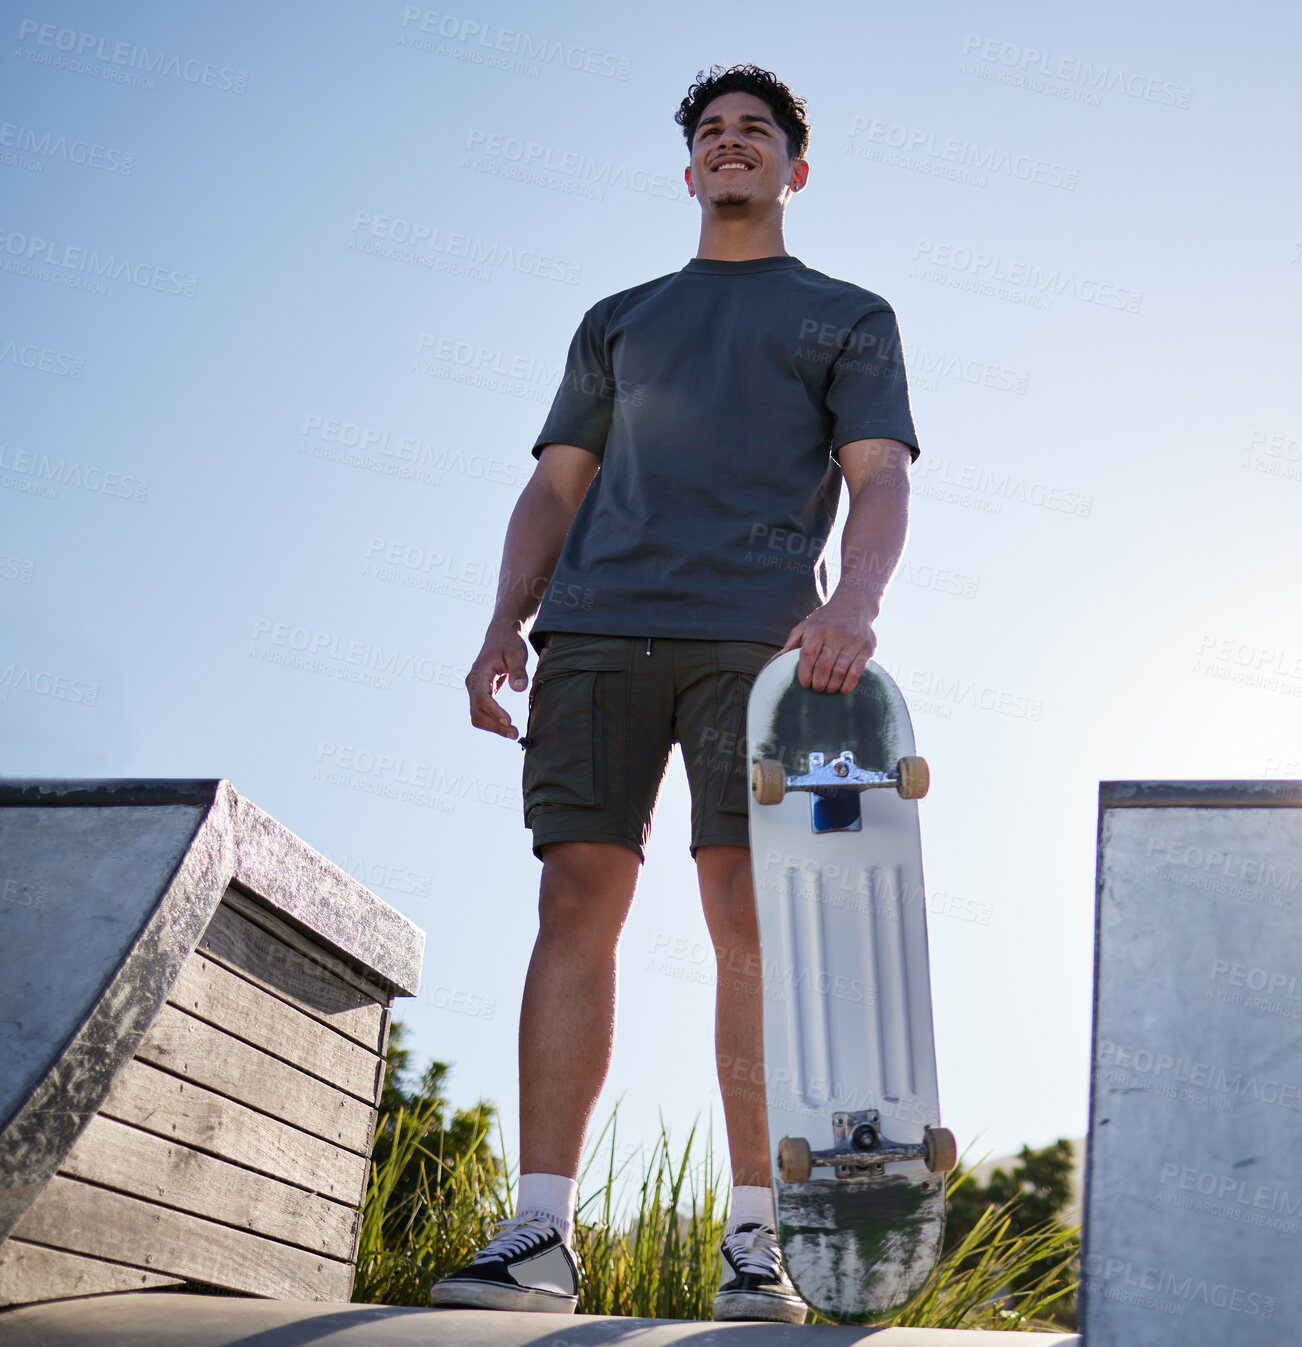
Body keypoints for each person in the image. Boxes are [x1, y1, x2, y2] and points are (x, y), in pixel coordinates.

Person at [432, 63, 918, 1321]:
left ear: (794, 169)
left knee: (746, 915)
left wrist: (854, 604)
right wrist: (501, 622)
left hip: (755, 645)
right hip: (594, 634)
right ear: (688, 166)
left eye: (755, 130)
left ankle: (756, 1236)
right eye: (711, 130)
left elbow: (879, 477)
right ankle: (539, 1232)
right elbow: (555, 485)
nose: (730, 142)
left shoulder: (847, 315)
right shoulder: (619, 318)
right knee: (572, 899)